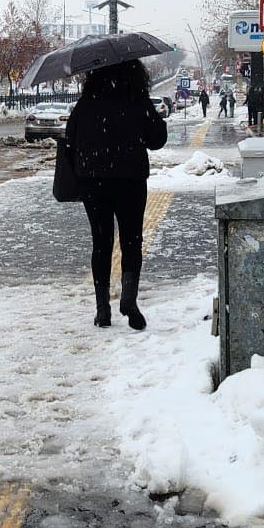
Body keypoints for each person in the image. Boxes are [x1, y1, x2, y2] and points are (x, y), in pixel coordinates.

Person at [64, 60, 168, 331]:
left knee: (101, 242)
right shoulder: (137, 100)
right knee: (132, 240)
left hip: (93, 181)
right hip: (130, 180)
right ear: (135, 74)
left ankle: (102, 310)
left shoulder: (87, 103)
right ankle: (129, 300)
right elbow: (157, 140)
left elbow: (70, 139)